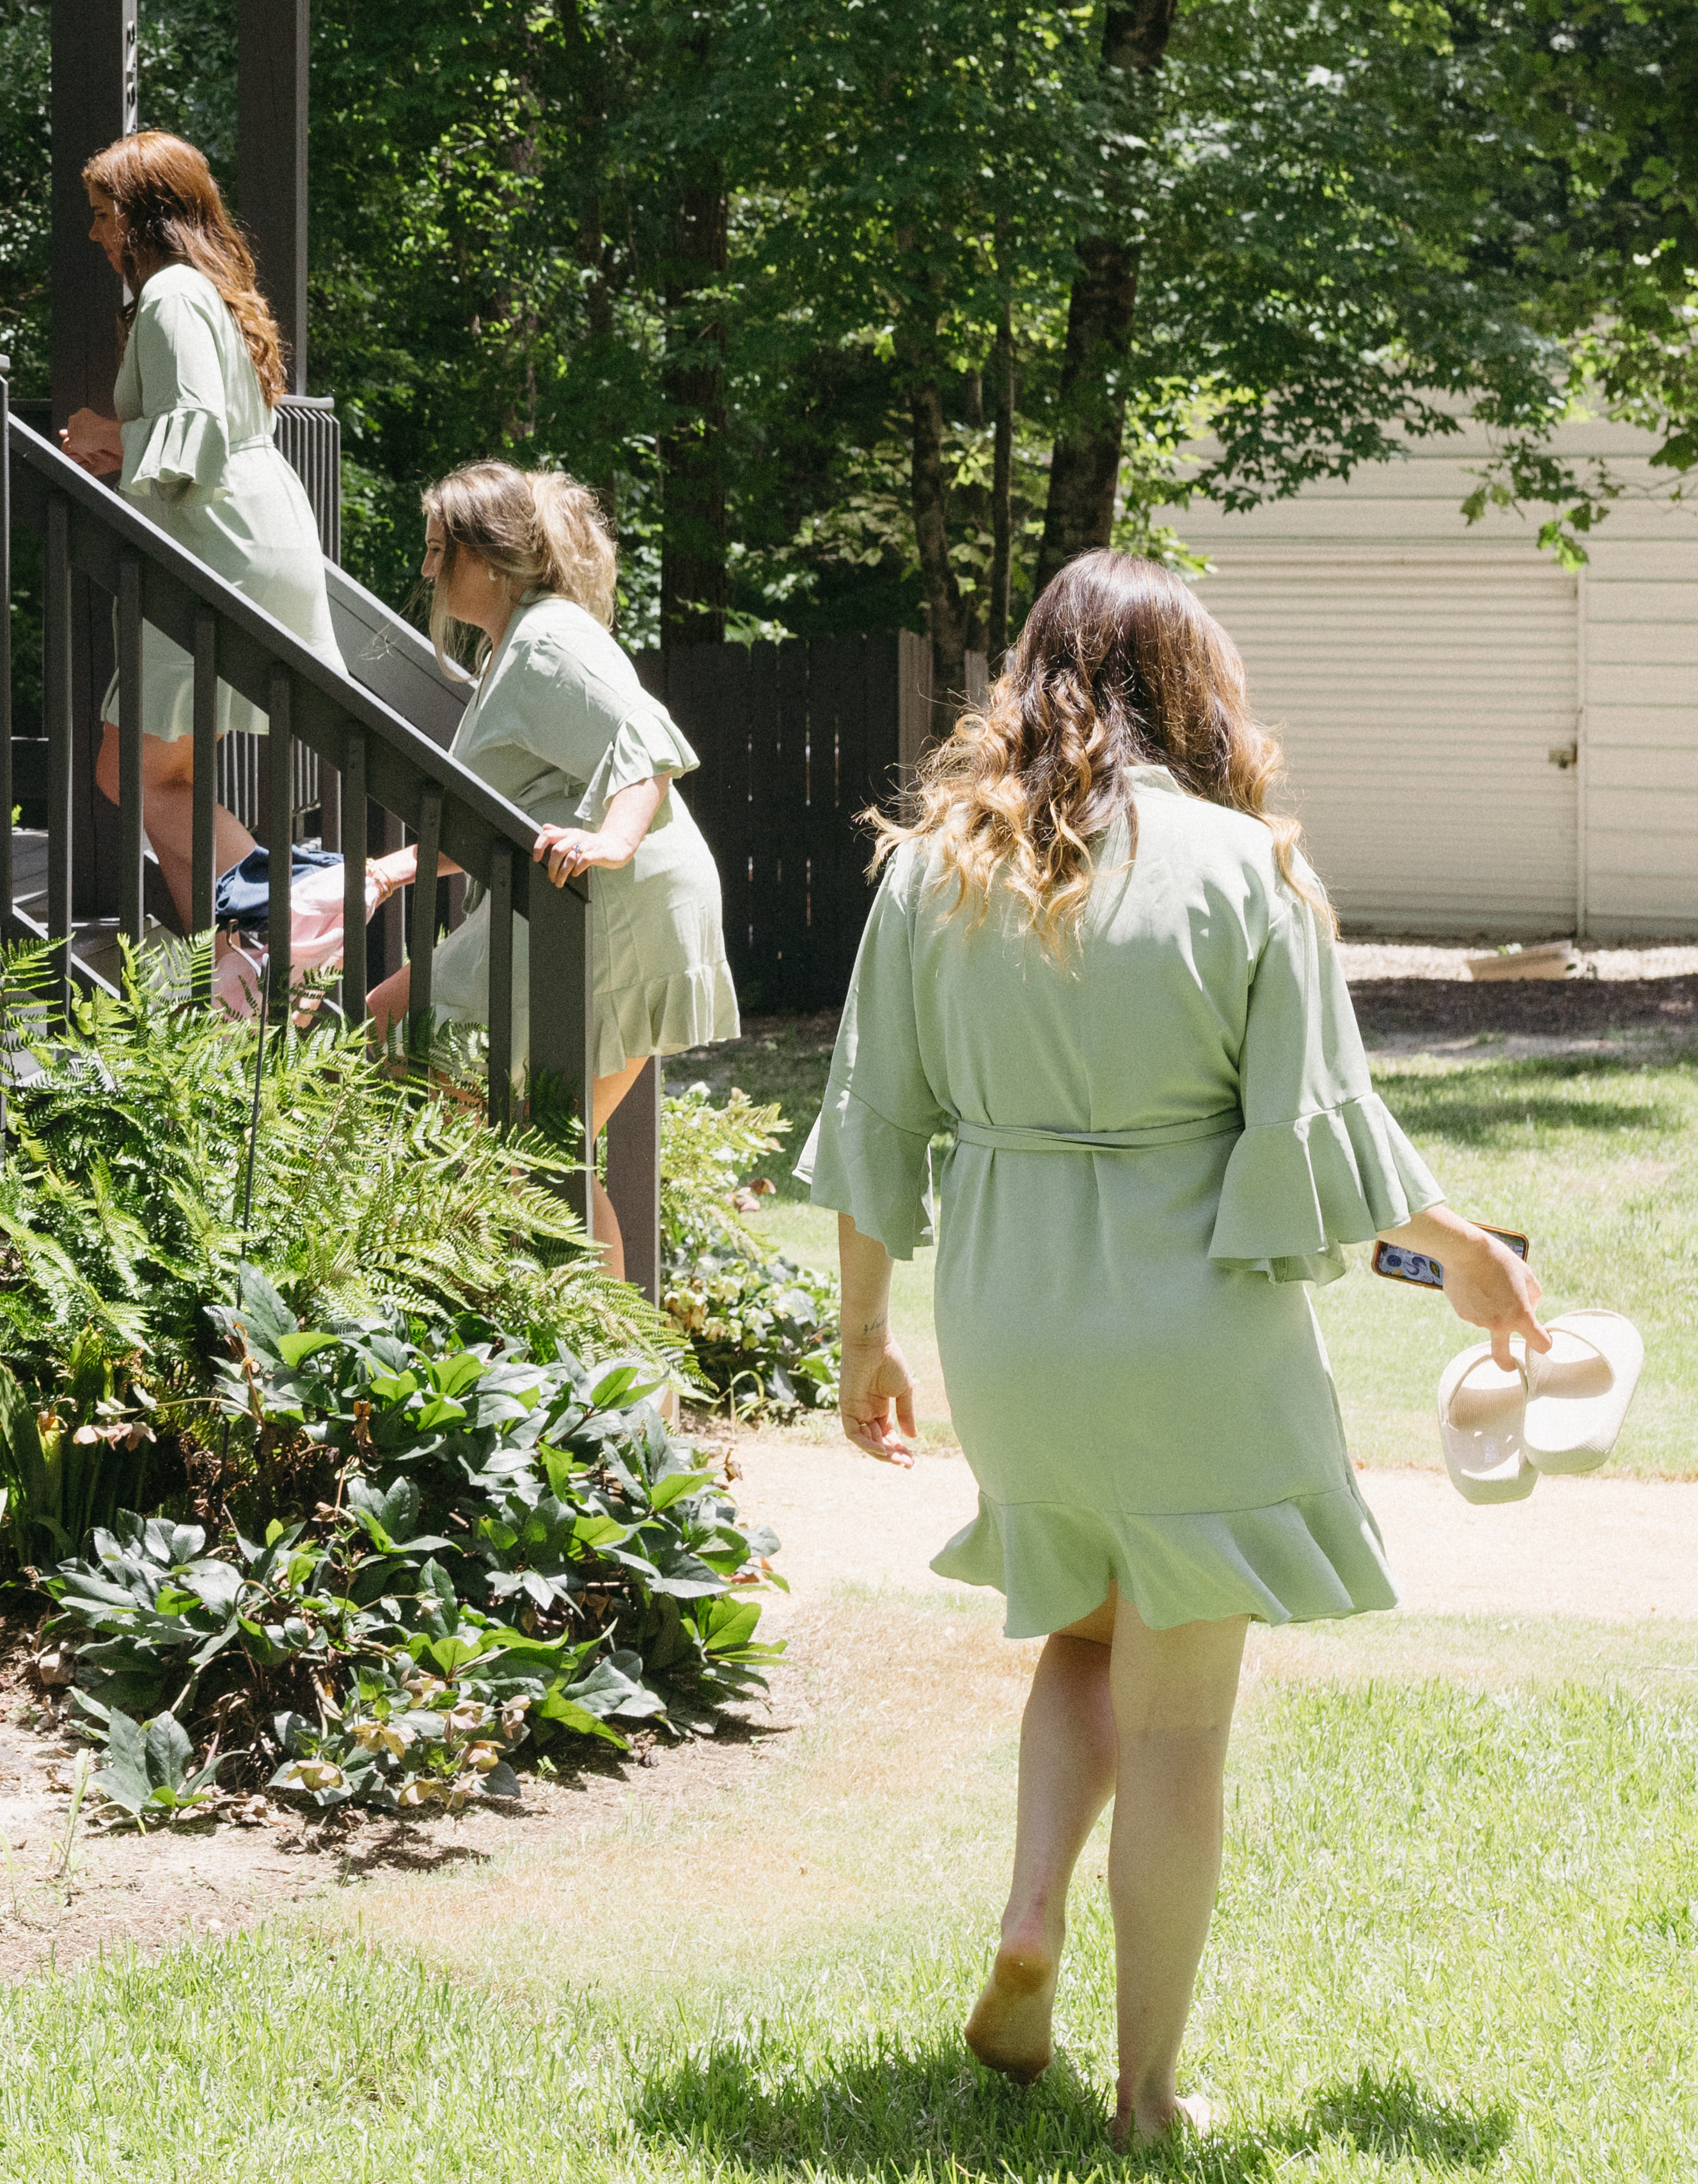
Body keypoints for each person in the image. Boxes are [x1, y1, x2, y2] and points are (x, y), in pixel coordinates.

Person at [801, 553, 1540, 2147]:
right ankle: (1142, 2096)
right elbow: (1331, 1147)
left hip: (1008, 1328)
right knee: (1180, 1718)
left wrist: (862, 1335)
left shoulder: (935, 869)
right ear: (1190, 686)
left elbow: (870, 1122)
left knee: (1077, 1628)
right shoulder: (1241, 868)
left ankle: (1024, 1915)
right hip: (1189, 1330)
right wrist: (1466, 1261)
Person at [358, 464, 739, 1250]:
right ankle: (623, 1367)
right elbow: (514, 816)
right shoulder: (514, 647)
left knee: (403, 1027)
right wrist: (392, 871)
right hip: (603, 888)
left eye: (440, 552)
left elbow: (643, 736)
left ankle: (458, 1268)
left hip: (615, 891)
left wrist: (611, 840)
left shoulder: (547, 642)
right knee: (545, 1156)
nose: (427, 570)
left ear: (490, 559)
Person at [52, 132, 344, 934]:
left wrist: (108, 433)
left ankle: (294, 909)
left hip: (213, 545)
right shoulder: (203, 288)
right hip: (246, 534)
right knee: (166, 776)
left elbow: (197, 427)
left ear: (148, 217)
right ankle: (224, 992)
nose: (95, 233)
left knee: (133, 773)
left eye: (104, 214)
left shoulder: (171, 293)